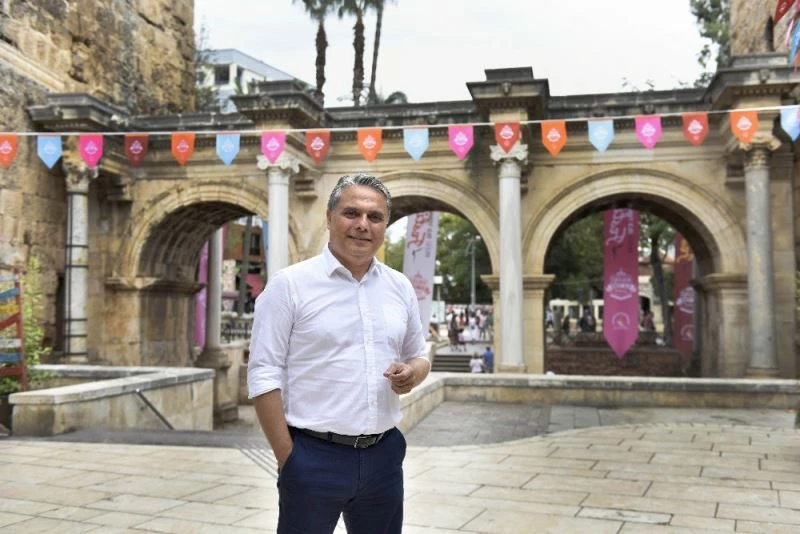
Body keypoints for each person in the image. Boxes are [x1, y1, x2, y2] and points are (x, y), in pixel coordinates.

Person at [248, 174, 431, 534]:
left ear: (384, 226)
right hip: (312, 456)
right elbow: (263, 372)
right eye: (351, 213)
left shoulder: (400, 287)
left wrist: (413, 373)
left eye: (375, 217)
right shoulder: (290, 285)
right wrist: (288, 458)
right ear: (329, 217)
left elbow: (419, 355)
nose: (363, 224)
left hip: (383, 457)